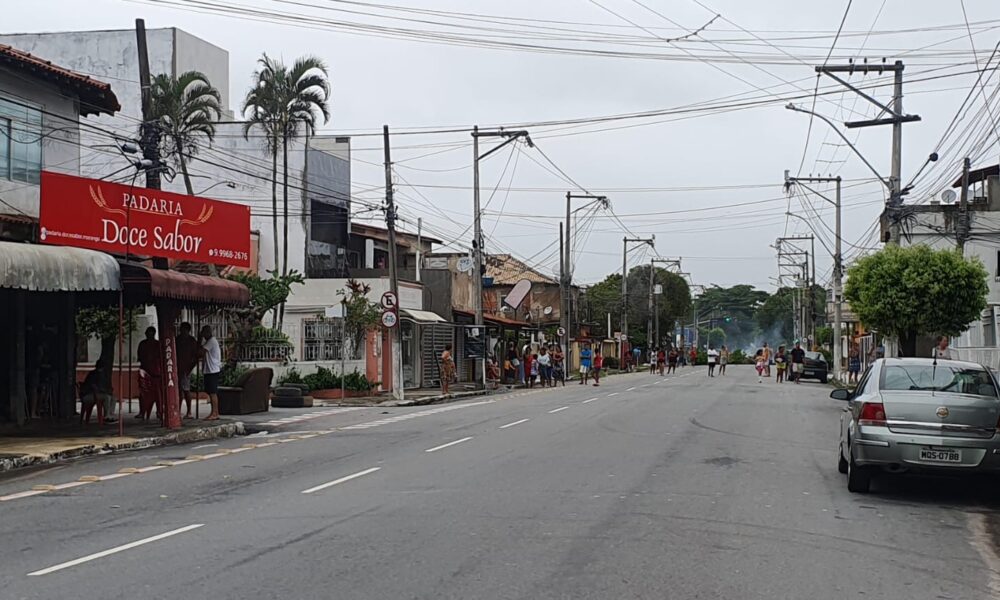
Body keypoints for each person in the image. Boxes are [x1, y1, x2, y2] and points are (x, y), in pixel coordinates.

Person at [80, 358, 117, 424]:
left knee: (113, 398)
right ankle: (106, 416)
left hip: (97, 394)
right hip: (89, 395)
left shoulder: (102, 375)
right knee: (107, 397)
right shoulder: (93, 374)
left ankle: (110, 415)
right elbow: (94, 387)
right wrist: (103, 391)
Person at [136, 326, 161, 420]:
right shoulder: (142, 344)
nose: (148, 335)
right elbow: (140, 357)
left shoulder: (158, 344)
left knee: (158, 395)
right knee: (143, 393)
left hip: (156, 373)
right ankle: (142, 412)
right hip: (145, 372)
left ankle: (159, 411)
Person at [176, 322, 199, 419]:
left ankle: (189, 411)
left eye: (184, 329)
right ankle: (178, 410)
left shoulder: (192, 341)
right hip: (177, 368)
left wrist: (190, 368)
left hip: (186, 368)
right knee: (178, 390)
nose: (182, 331)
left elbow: (196, 356)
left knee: (186, 390)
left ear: (188, 330)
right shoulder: (177, 340)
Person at [200, 325, 222, 419]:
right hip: (209, 370)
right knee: (210, 392)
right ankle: (214, 412)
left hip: (212, 370)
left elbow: (201, 352)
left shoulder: (211, 341)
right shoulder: (208, 341)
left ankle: (215, 413)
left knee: (213, 392)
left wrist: (199, 339)